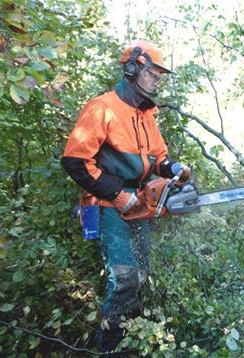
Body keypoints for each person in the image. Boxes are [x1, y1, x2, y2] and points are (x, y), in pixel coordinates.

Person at [62, 39, 190, 352]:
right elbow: (75, 161)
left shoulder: (146, 114)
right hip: (109, 206)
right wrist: (119, 195)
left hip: (141, 205)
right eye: (153, 73)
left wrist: (173, 167)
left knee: (142, 276)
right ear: (132, 68)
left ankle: (130, 340)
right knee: (125, 278)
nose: (157, 80)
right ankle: (108, 348)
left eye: (160, 76)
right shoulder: (103, 108)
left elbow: (158, 157)